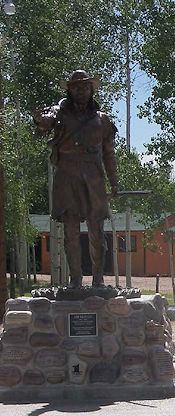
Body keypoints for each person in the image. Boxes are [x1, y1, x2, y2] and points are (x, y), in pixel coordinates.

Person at [33, 70, 119, 288]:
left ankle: (98, 279)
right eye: (76, 87)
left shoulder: (103, 120)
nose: (81, 90)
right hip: (67, 175)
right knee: (70, 231)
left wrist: (114, 181)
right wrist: (40, 119)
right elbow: (45, 122)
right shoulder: (59, 114)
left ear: (91, 90)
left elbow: (109, 153)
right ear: (69, 90)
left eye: (85, 87)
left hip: (93, 177)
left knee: (96, 231)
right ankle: (76, 279)